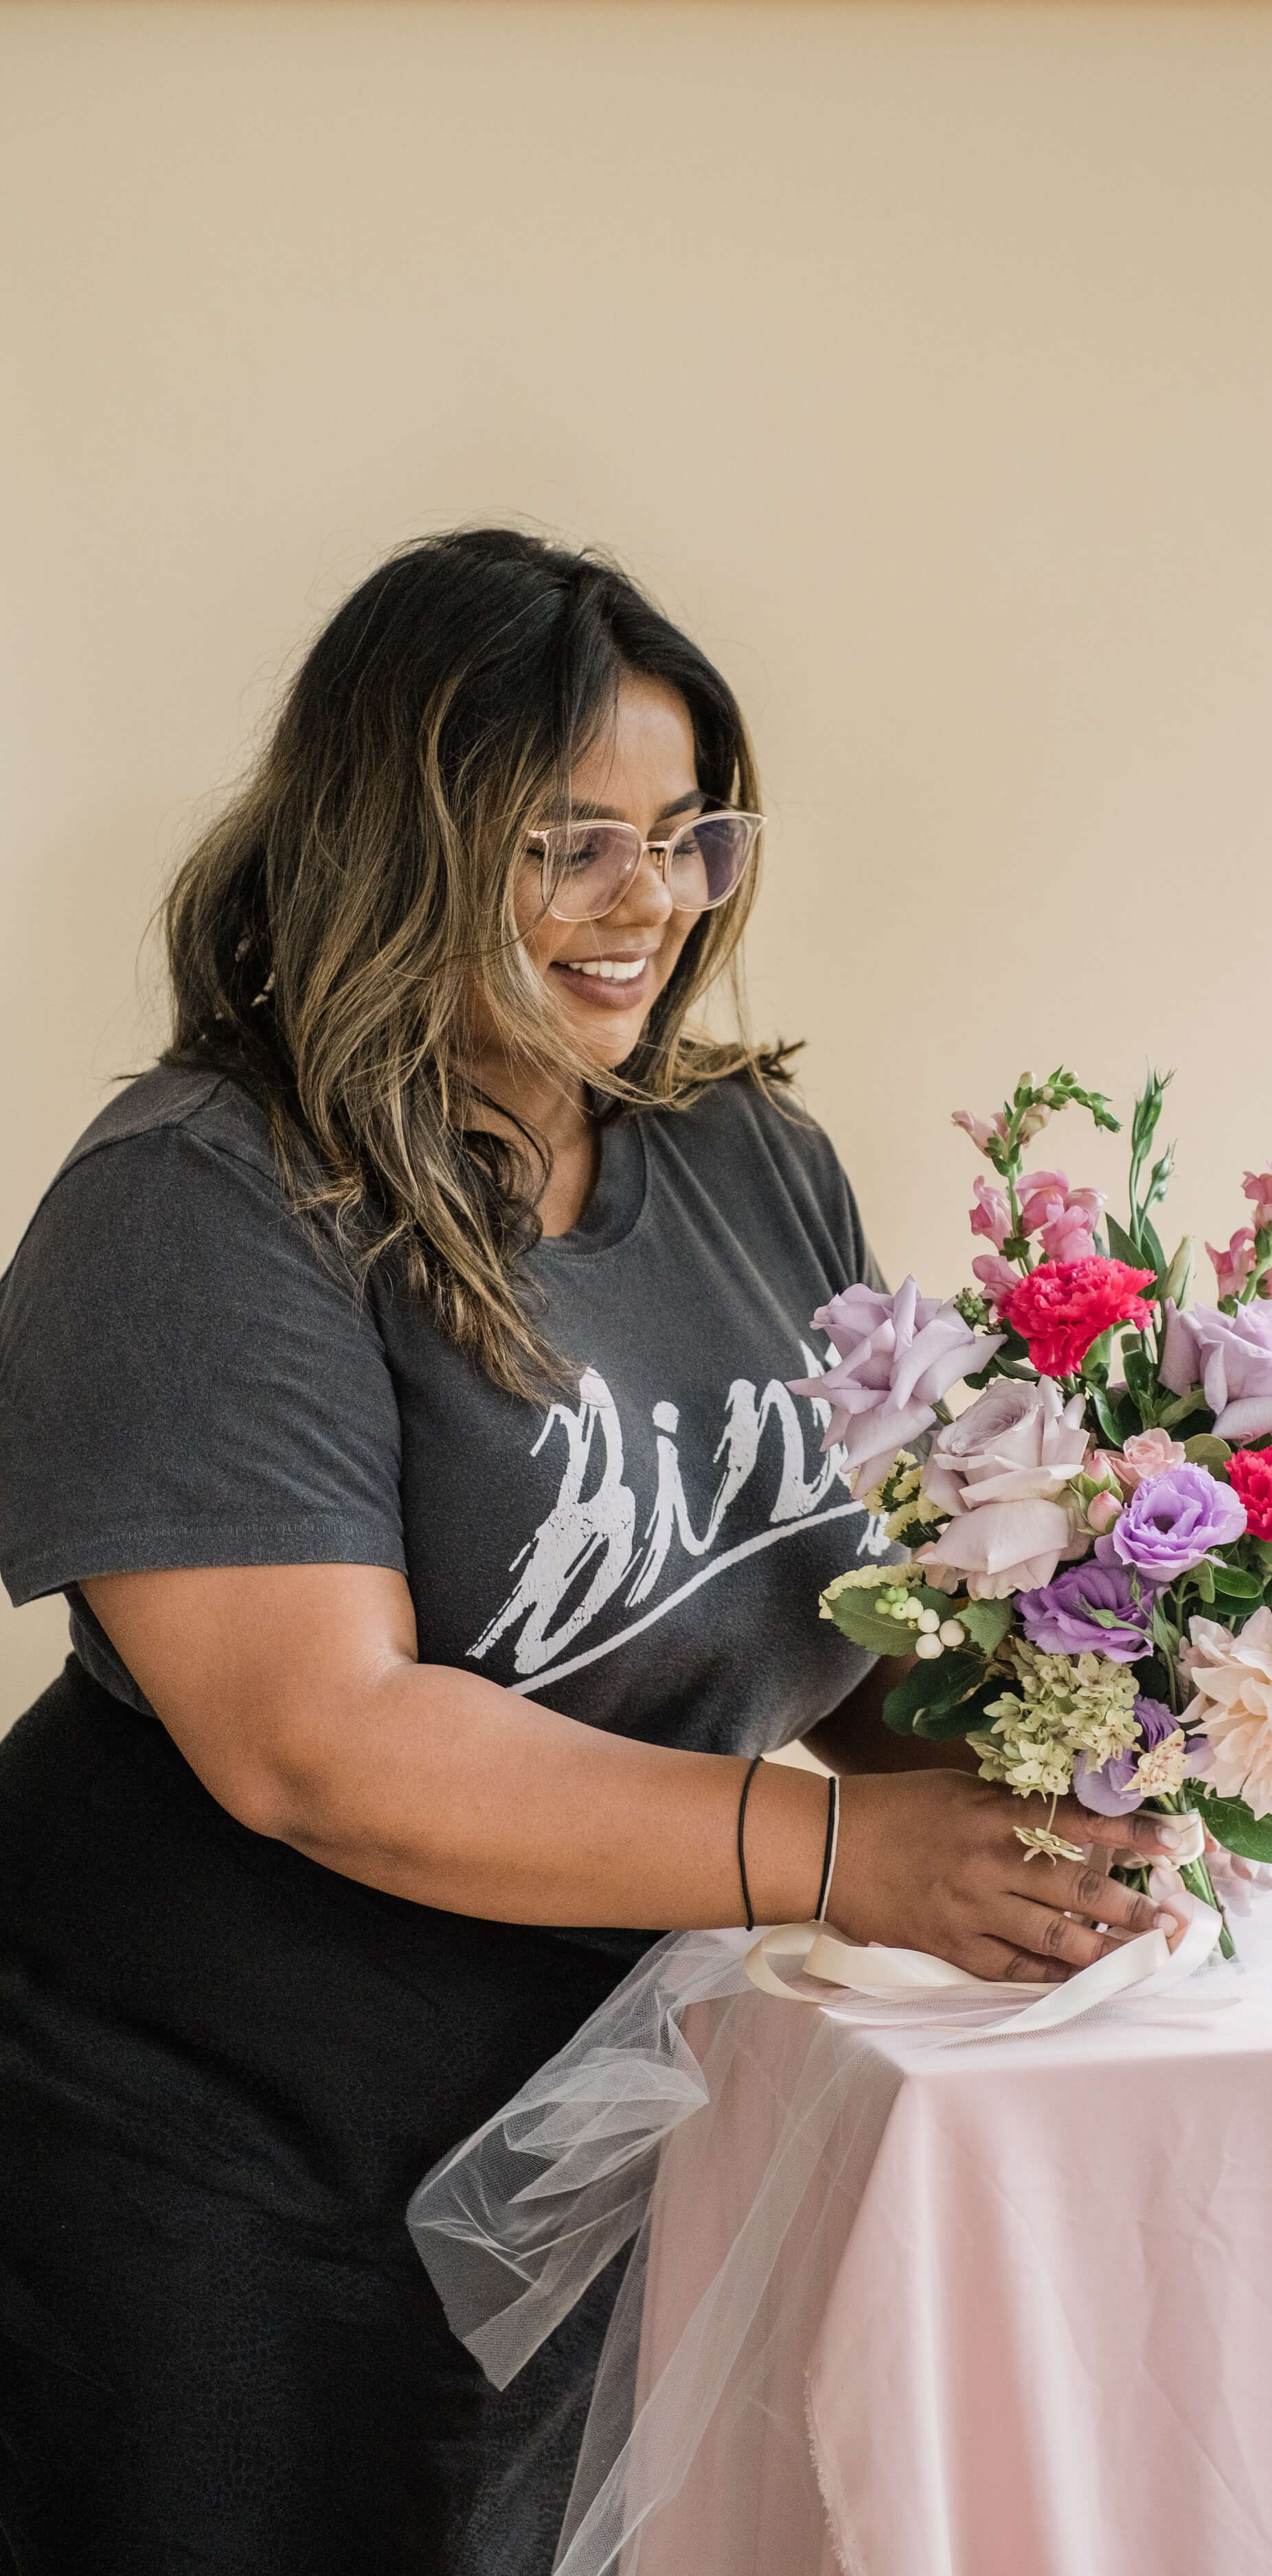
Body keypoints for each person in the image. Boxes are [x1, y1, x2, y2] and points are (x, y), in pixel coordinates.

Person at [0, 527, 1170, 2575]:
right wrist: (852, 1861)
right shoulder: (199, 1203)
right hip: (183, 2160)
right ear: (399, 846)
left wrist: (1086, 1764)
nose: (649, 905)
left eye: (687, 834)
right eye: (568, 845)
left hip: (582, 2143)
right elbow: (319, 1742)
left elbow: (840, 1606)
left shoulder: (745, 1160)